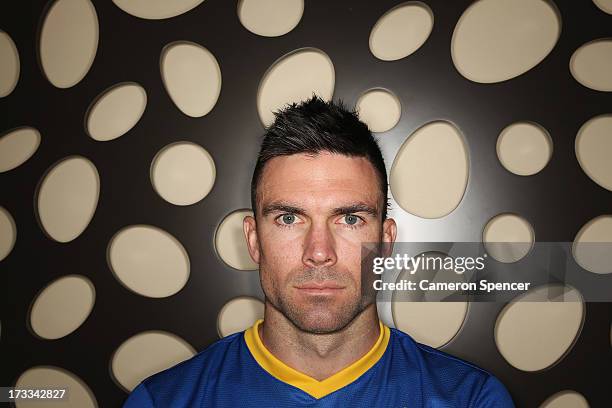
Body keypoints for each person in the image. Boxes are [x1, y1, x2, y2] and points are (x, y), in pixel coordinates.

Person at [123, 95, 515, 407]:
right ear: (254, 240)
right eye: (289, 219)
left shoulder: (470, 400)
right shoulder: (163, 401)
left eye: (349, 219)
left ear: (386, 243)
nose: (319, 252)